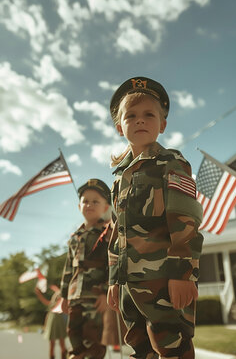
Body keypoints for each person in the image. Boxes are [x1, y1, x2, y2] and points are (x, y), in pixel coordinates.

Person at [106, 76, 204, 359]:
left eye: (149, 114)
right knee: (140, 350)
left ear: (162, 124)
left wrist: (184, 274)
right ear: (119, 126)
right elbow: (117, 234)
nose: (140, 121)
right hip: (130, 285)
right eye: (131, 116)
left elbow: (186, 219)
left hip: (164, 281)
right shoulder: (119, 180)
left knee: (171, 349)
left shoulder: (171, 163)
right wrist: (114, 279)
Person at [60, 179, 113, 359]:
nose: (89, 204)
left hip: (95, 298)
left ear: (106, 207)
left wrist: (106, 293)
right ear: (79, 206)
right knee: (74, 338)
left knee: (94, 343)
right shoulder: (75, 237)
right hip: (75, 296)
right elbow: (68, 268)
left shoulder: (107, 234)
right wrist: (64, 296)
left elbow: (112, 266)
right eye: (85, 201)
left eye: (95, 201)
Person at [34, 285, 68, 359]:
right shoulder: (56, 294)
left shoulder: (60, 294)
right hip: (53, 319)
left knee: (59, 343)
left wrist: (39, 294)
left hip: (57, 320)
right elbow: (49, 307)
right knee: (53, 343)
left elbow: (50, 304)